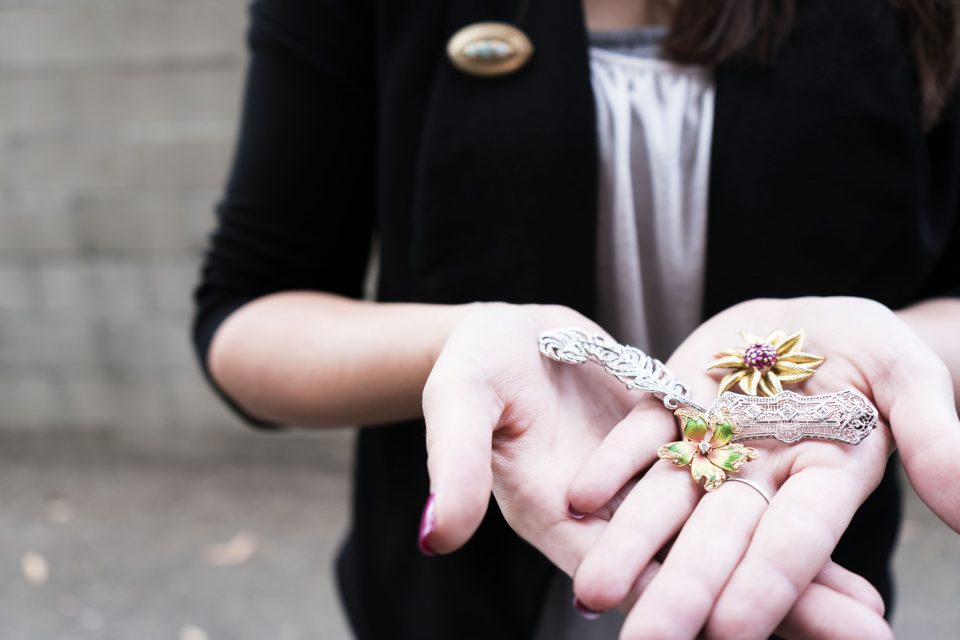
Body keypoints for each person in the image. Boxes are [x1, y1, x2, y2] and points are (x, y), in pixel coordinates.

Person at [192, 0, 960, 637]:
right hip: (456, 605)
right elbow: (248, 307)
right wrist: (458, 345)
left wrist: (892, 354)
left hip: (796, 568)